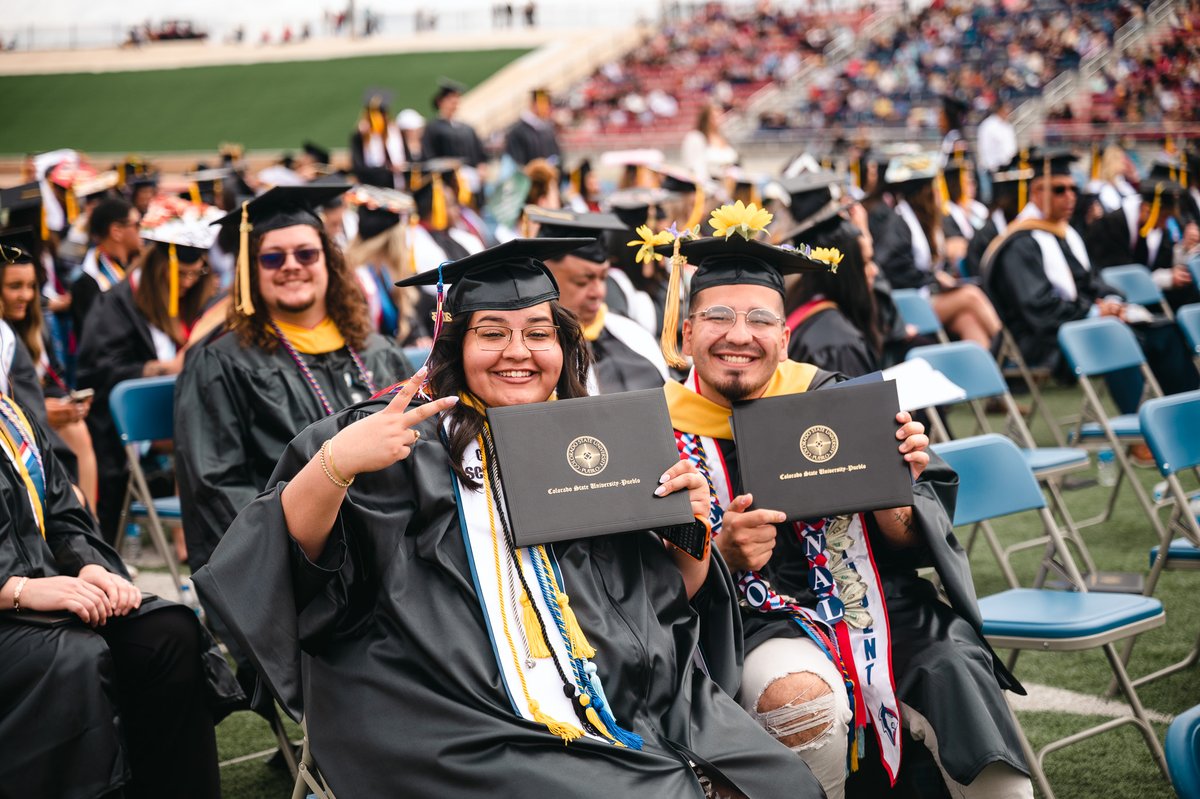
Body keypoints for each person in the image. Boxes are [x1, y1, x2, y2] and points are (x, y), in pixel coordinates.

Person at [193, 237, 826, 799]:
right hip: (452, 714)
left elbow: (659, 608)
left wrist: (690, 531)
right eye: (492, 333)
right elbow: (289, 567)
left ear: (563, 346)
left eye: (537, 333)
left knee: (779, 781)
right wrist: (334, 464)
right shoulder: (392, 440)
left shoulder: (592, 447)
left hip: (624, 693)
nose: (517, 352)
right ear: (456, 345)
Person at [662, 207, 1031, 799]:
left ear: (785, 338)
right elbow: (633, 586)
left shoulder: (835, 399)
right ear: (686, 334)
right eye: (718, 317)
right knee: (799, 701)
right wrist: (720, 556)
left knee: (959, 676)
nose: (739, 335)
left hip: (872, 602)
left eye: (760, 319)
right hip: (744, 624)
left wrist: (894, 493)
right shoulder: (654, 431)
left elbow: (911, 536)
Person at [0, 317, 239, 799]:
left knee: (167, 630)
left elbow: (62, 513)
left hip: (48, 592)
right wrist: (16, 589)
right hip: (12, 609)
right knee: (75, 657)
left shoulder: (11, 417)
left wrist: (89, 565)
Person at [175, 185, 413, 582]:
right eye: (272, 258)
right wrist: (300, 551)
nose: (291, 266)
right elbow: (216, 487)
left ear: (328, 262)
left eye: (306, 254)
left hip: (395, 547)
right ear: (251, 271)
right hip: (299, 563)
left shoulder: (376, 350)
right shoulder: (221, 363)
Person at [982, 148, 1199, 413]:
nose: (1070, 197)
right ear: (1036, 192)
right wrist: (1094, 312)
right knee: (1115, 336)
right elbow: (1039, 308)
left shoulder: (1065, 234)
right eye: (1059, 190)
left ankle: (1187, 415)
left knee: (1165, 332)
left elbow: (1093, 281)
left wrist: (1112, 302)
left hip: (1076, 323)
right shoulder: (1021, 244)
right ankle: (1139, 423)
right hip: (1040, 338)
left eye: (1073, 189)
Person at [76, 203, 221, 546]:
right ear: (159, 268)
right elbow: (97, 372)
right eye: (181, 274)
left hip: (182, 413)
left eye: (195, 274)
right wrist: (163, 369)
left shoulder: (195, 300)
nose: (188, 283)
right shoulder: (117, 304)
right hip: (122, 426)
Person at [0, 233, 97, 507]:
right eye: (15, 286)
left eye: (31, 286)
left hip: (38, 424)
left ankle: (88, 517)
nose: (26, 295)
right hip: (15, 436)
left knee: (77, 428)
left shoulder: (37, 327)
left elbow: (51, 377)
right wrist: (41, 410)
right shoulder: (5, 339)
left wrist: (66, 404)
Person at [527, 206, 668, 393]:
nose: (599, 293)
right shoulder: (529, 352)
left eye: (603, 278)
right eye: (582, 282)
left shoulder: (634, 335)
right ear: (545, 277)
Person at [873, 154, 1002, 351]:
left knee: (968, 320)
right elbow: (896, 272)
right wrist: (934, 279)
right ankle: (1005, 344)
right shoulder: (898, 226)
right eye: (935, 188)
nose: (940, 194)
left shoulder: (921, 221)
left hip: (928, 298)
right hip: (909, 306)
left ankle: (987, 368)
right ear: (924, 194)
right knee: (971, 295)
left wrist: (941, 276)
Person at [1084, 175, 1200, 311]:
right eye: (1163, 217)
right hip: (1117, 300)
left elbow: (1164, 262)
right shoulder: (1110, 226)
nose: (1165, 225)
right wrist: (1162, 279)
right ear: (1146, 209)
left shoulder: (1156, 229)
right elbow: (1116, 275)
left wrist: (1183, 251)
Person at [73, 196, 141, 336]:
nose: (142, 230)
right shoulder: (87, 284)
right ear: (116, 232)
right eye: (137, 225)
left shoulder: (135, 266)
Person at [421, 79, 487, 182]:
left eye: (457, 98)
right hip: (447, 179)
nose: (454, 103)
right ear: (440, 102)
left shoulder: (467, 128)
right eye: (450, 99)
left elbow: (479, 154)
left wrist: (481, 168)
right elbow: (428, 157)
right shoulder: (432, 128)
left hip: (472, 178)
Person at [350, 89, 404, 188]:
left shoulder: (395, 131)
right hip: (372, 182)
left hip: (396, 181)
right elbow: (358, 165)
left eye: (380, 113)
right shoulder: (361, 136)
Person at [681, 100, 740, 186]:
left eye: (720, 115)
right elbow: (693, 168)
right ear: (705, 118)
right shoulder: (696, 138)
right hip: (708, 185)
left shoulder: (725, 137)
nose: (719, 119)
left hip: (731, 185)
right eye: (714, 117)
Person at [505, 87, 562, 167]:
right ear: (534, 105)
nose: (549, 108)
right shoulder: (517, 132)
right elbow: (518, 164)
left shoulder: (547, 128)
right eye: (546, 104)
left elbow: (556, 156)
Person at [975, 99, 1017, 174]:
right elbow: (984, 147)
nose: (1009, 112)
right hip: (992, 169)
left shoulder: (1008, 126)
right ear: (1000, 109)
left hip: (1008, 167)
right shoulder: (988, 125)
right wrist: (991, 167)